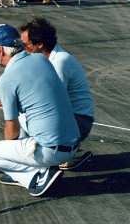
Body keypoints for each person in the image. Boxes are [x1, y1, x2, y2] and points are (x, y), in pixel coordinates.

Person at [0, 24, 80, 197]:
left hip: (50, 152)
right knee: (28, 113)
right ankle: (35, 168)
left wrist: (10, 155)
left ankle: (34, 176)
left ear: (0, 50)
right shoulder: (40, 59)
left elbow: (12, 131)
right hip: (73, 144)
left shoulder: (6, 80)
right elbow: (28, 93)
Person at [19, 17, 94, 170]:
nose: (23, 49)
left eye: (26, 45)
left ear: (40, 44)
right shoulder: (42, 58)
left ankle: (34, 162)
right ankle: (35, 156)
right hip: (72, 119)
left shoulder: (60, 62)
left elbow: (50, 99)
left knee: (21, 114)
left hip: (79, 122)